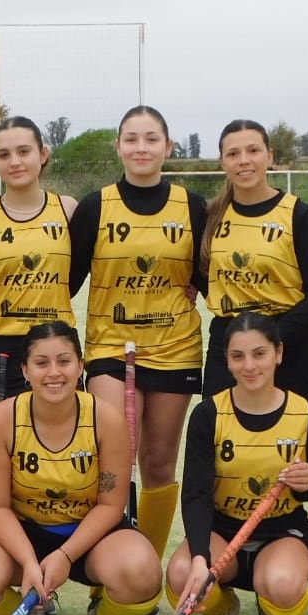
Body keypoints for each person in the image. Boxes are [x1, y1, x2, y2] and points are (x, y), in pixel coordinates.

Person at [0, 323, 161, 615]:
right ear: (25, 371)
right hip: (23, 532)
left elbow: (110, 504)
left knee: (142, 573)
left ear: (81, 365)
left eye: (64, 361)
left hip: (90, 536)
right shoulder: (0, 421)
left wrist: (65, 555)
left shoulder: (107, 420)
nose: (54, 373)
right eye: (42, 363)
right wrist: (30, 562)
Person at [68, 105, 207, 564]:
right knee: (112, 460)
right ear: (119, 146)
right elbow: (66, 281)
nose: (141, 148)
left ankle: (143, 567)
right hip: (111, 348)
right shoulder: (95, 206)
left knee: (159, 461)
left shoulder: (191, 206)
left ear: (168, 147)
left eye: (151, 139)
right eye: (131, 138)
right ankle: (107, 562)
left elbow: (208, 277)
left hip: (174, 348)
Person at [166, 313, 308, 615]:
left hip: (281, 531)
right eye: (238, 356)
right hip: (223, 531)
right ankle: (219, 612)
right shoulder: (209, 413)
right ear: (226, 360)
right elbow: (196, 494)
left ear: (279, 353)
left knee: (282, 583)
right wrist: (199, 556)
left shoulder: (304, 413)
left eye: (259, 354)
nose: (249, 366)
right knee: (182, 574)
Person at [0, 117, 78, 542]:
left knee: (50, 475)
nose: (15, 161)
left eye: (23, 151)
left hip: (55, 351)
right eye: (3, 154)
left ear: (43, 155)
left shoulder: (69, 211)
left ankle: (49, 570)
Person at [200, 120, 308, 401]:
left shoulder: (298, 214)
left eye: (253, 151)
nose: (244, 160)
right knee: (223, 438)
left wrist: (269, 336)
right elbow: (201, 277)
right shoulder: (210, 216)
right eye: (233, 154)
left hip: (288, 347)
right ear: (222, 161)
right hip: (228, 347)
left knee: (292, 442)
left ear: (270, 156)